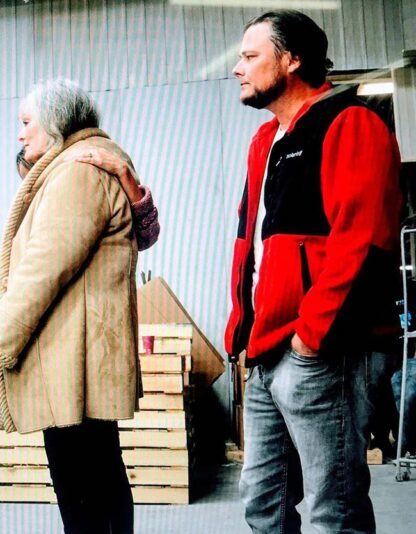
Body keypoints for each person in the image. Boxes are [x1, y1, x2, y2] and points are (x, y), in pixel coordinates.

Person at [225, 10, 402, 533]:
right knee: (263, 504)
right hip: (266, 350)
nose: (237, 67)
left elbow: (364, 243)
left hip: (322, 352)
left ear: (292, 59)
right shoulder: (264, 142)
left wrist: (311, 338)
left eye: (250, 56)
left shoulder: (351, 123)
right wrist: (243, 329)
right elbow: (251, 248)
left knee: (334, 509)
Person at [0, 78, 138, 534]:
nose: (21, 133)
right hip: (76, 350)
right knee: (97, 471)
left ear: (55, 122)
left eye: (27, 122)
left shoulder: (77, 170)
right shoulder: (83, 164)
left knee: (81, 482)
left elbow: (46, 268)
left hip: (73, 356)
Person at [17, 146, 160, 251]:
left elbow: (146, 235)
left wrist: (123, 171)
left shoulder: (82, 176)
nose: (34, 186)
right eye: (28, 180)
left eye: (39, 175)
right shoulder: (32, 213)